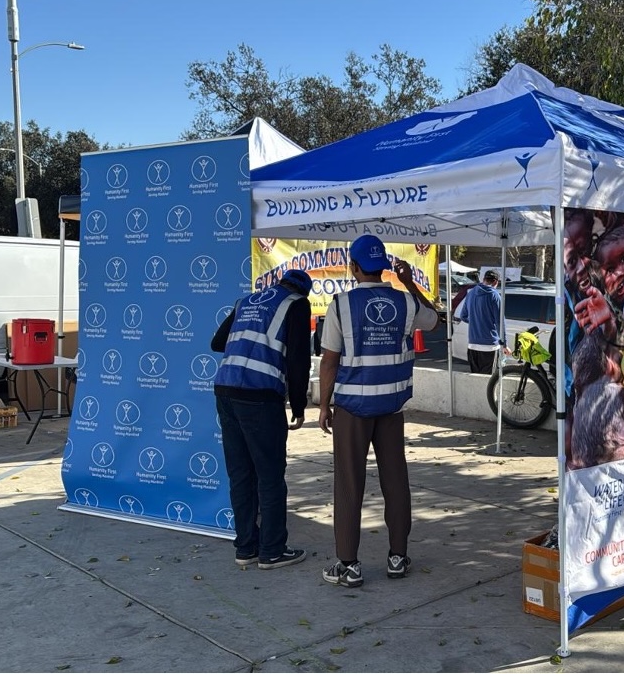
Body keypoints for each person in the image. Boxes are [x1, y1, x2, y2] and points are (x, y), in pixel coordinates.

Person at [317, 234, 439, 588]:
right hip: (391, 406)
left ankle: (349, 565)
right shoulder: (404, 302)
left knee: (349, 484)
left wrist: (324, 405)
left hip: (353, 408)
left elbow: (329, 361)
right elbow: (435, 321)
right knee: (396, 480)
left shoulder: (340, 304)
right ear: (384, 267)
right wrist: (411, 284)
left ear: (353, 267)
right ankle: (398, 557)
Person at [211, 268, 313, 570]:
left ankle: (245, 547)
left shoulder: (247, 302)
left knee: (241, 474)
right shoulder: (295, 303)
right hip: (260, 395)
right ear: (301, 290)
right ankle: (272, 550)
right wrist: (298, 405)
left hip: (225, 390)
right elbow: (298, 359)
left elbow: (217, 342)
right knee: (269, 475)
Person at [457, 269, 503, 374]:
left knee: (475, 378)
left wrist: (475, 321)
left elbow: (463, 316)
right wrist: (505, 344)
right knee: (488, 381)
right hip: (490, 345)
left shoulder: (471, 293)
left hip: (472, 344)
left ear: (483, 279)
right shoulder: (494, 296)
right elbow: (500, 322)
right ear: (496, 282)